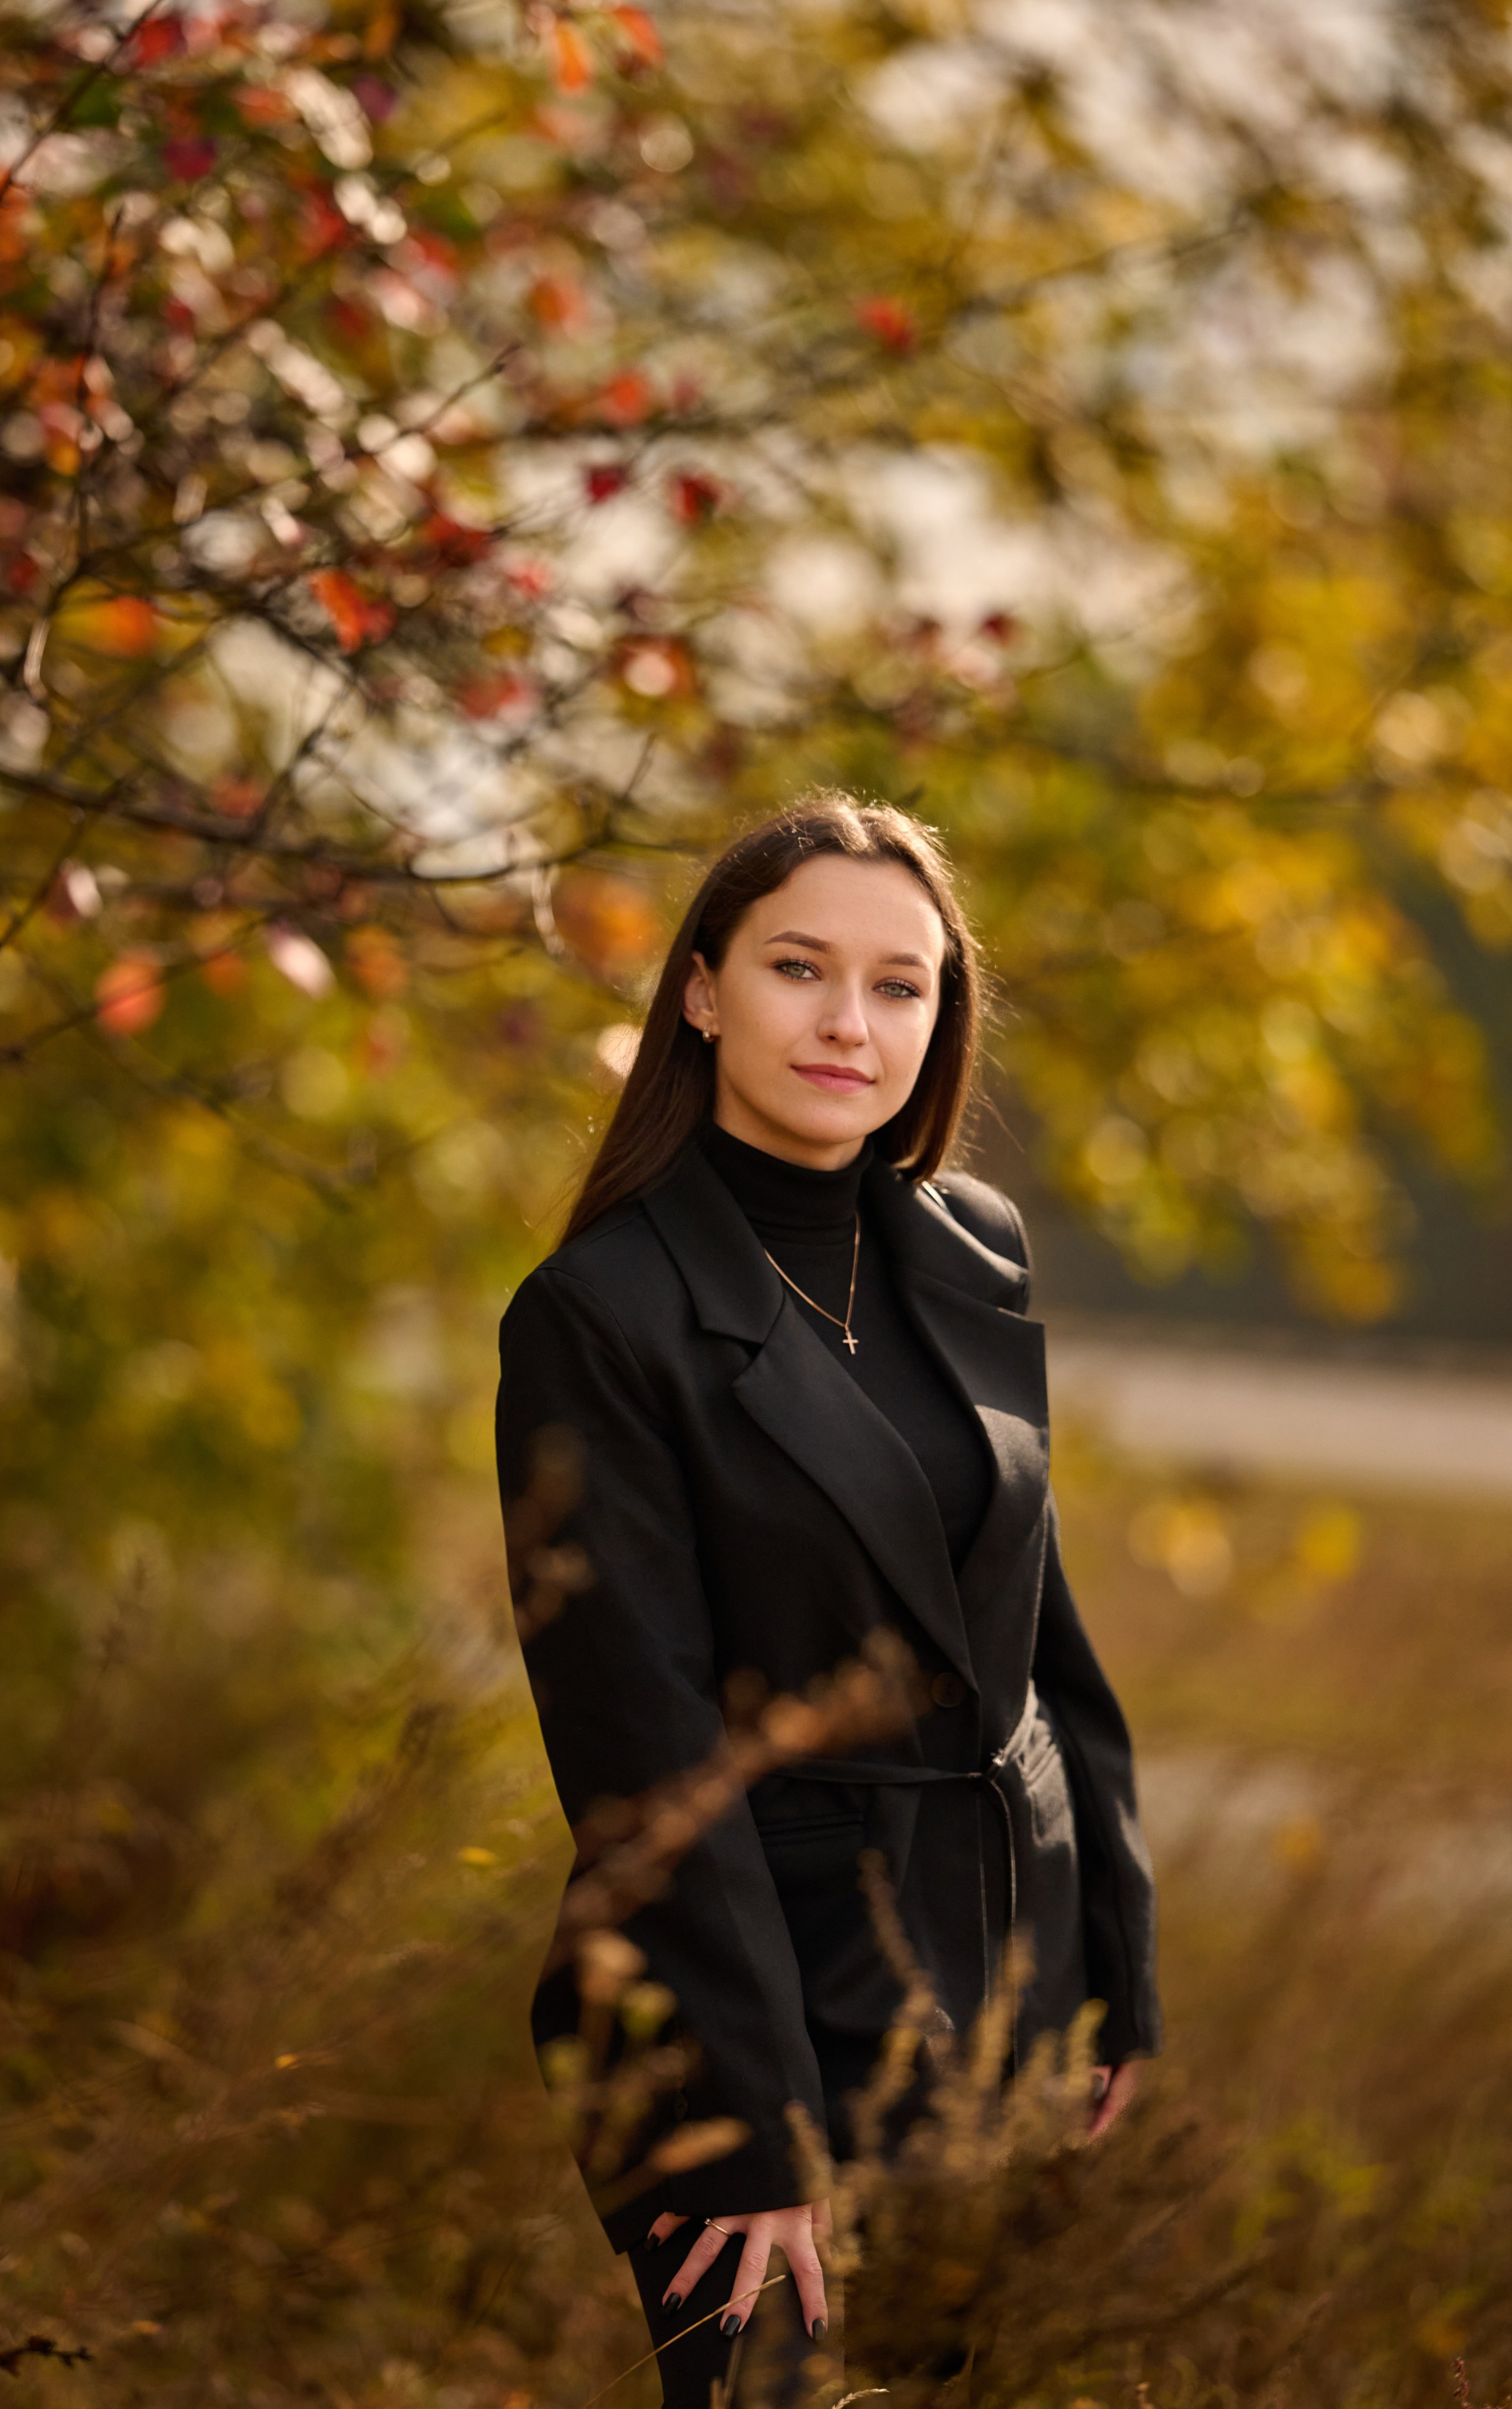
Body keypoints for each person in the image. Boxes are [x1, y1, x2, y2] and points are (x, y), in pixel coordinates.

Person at [495, 795, 1160, 2408]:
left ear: (940, 1021)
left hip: (1007, 1961)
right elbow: (638, 1749)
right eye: (799, 970)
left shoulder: (970, 1249)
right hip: (752, 1992)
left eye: (899, 985)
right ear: (703, 991)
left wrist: (1114, 1961)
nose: (849, 1025)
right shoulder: (600, 1312)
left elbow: (1031, 1626)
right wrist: (754, 2117)